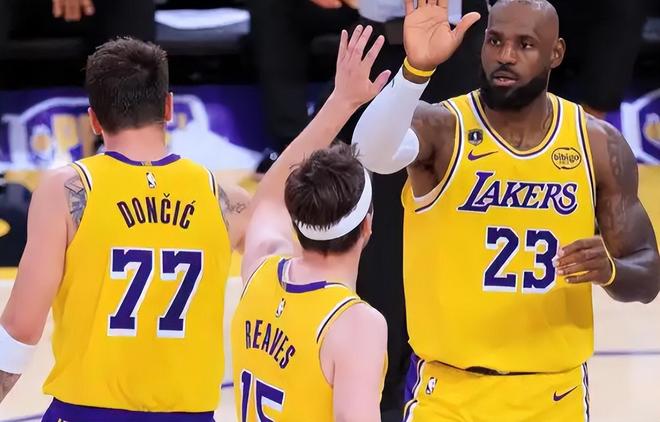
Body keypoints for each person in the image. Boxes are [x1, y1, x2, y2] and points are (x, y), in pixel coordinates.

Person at [352, 0, 660, 420]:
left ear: (556, 53)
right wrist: (414, 72)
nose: (506, 55)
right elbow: (368, 152)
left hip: (554, 395)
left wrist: (610, 270)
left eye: (525, 44)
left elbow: (648, 272)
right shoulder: (443, 127)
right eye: (495, 41)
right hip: (449, 395)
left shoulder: (597, 144)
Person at [0, 38, 250, 421]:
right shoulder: (223, 197)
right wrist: (336, 107)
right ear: (168, 107)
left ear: (94, 120)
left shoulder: (68, 189)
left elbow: (21, 328)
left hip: (87, 413)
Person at [231, 25, 390, 421]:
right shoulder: (357, 324)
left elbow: (269, 197)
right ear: (367, 226)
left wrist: (341, 102)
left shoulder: (262, 268)